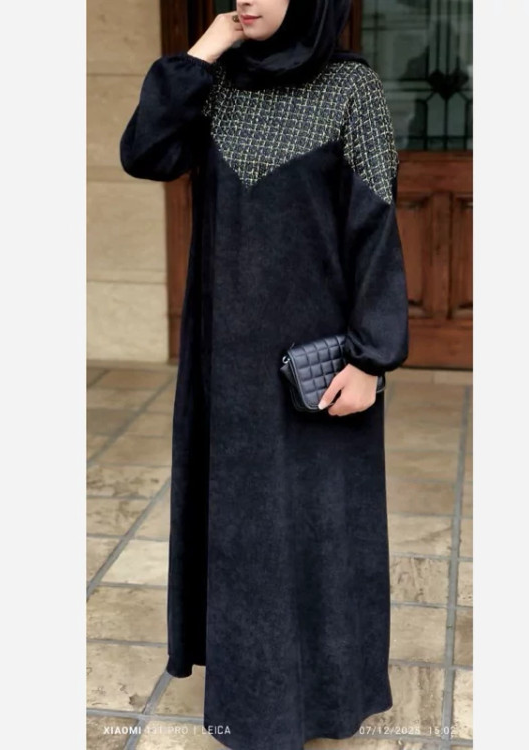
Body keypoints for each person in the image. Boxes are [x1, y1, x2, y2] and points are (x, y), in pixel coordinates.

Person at [119, 2, 409, 749]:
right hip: (228, 362)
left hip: (317, 364)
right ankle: (249, 708)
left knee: (321, 531)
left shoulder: (351, 88)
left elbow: (376, 223)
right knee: (242, 536)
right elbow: (145, 153)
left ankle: (326, 698)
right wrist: (205, 50)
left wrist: (371, 358)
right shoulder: (215, 83)